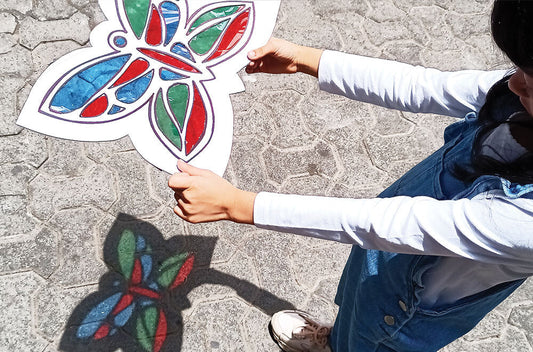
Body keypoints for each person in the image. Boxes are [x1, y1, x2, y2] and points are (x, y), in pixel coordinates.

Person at [168, 0, 533, 351]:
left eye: (531, 81)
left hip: (409, 308)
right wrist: (309, 60)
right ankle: (336, 339)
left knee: (370, 340)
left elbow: (394, 223)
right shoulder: (517, 91)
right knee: (358, 307)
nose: (514, 83)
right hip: (384, 253)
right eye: (519, 68)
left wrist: (240, 206)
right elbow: (426, 86)